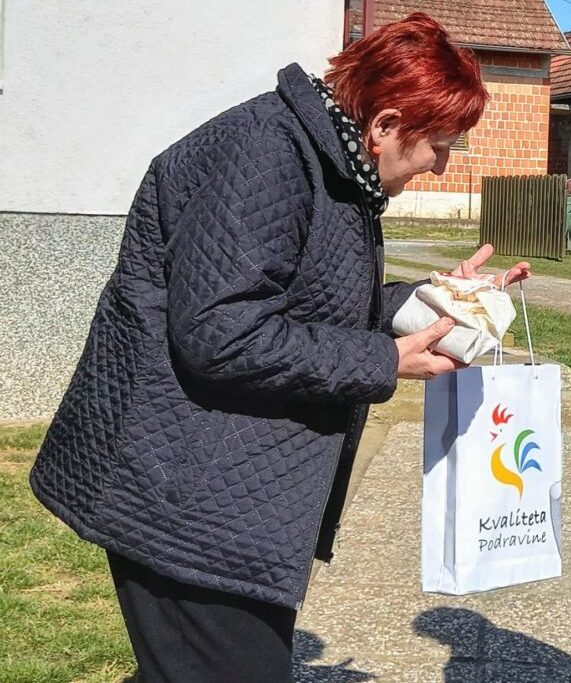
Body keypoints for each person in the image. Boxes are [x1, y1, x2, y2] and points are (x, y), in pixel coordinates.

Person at [30, 13, 527, 683]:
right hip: (178, 498)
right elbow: (221, 332)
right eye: (438, 143)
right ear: (383, 126)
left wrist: (436, 303)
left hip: (221, 501)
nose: (441, 162)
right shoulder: (266, 154)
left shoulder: (324, 158)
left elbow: (304, 301)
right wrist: (385, 362)